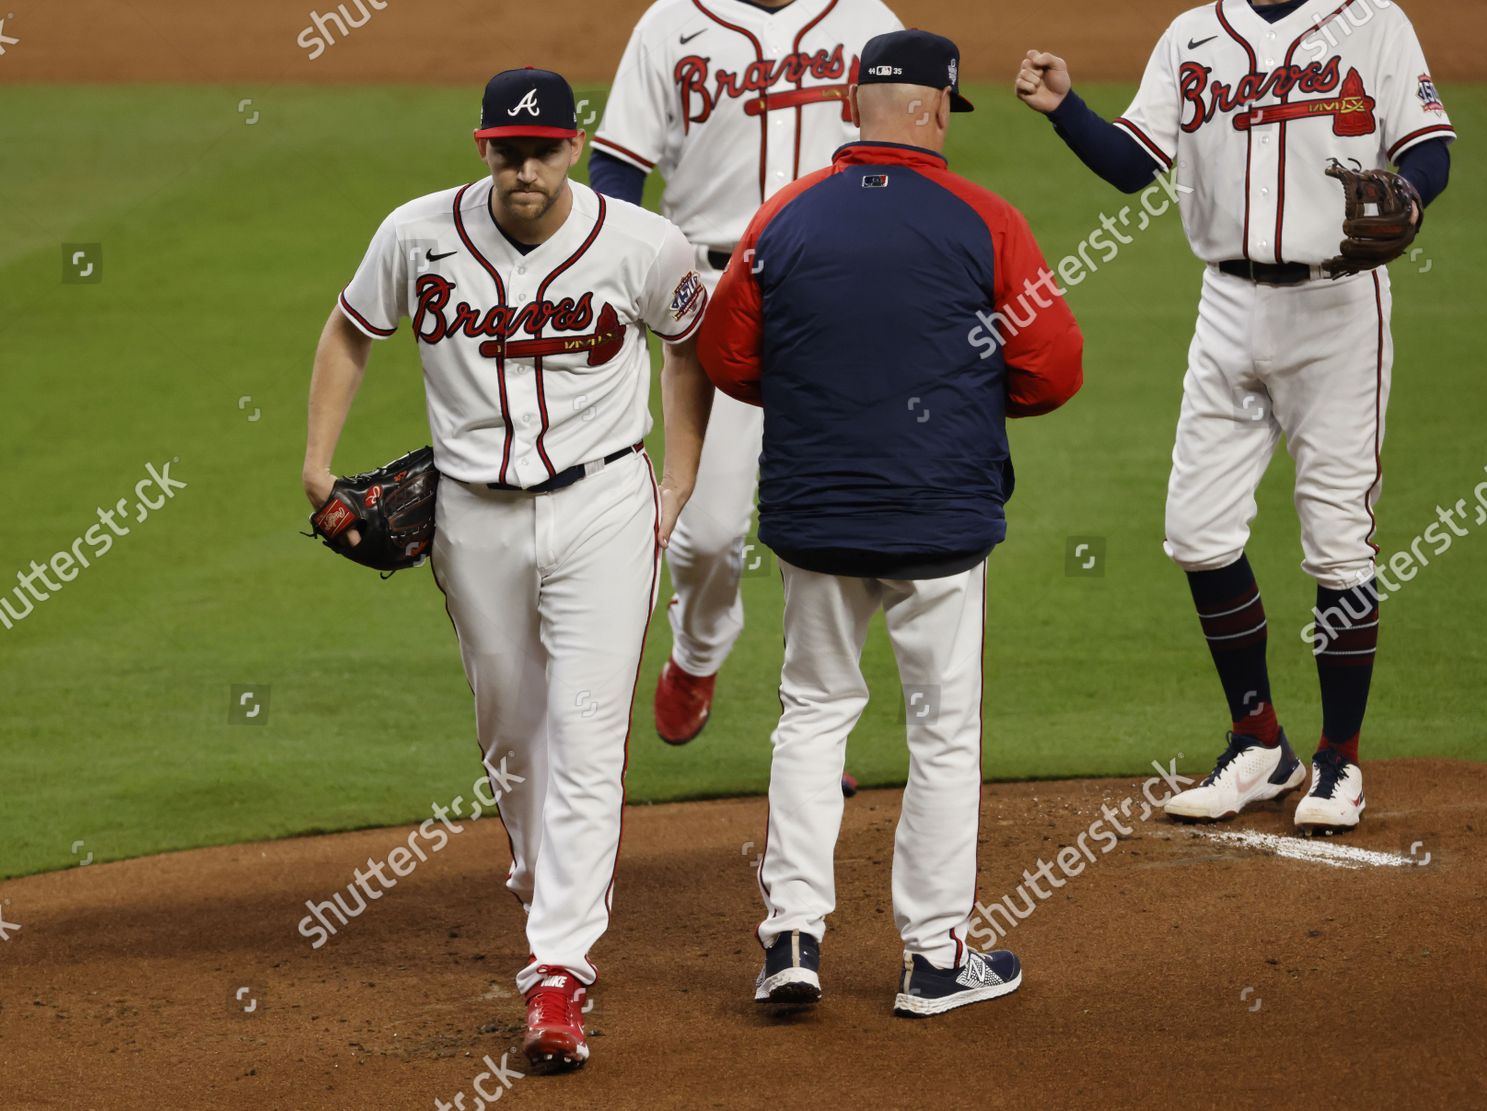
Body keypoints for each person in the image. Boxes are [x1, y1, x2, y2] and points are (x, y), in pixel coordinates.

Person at [302, 67, 715, 1073]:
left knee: (584, 732)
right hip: (470, 517)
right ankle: (546, 886)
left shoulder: (642, 243)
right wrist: (315, 462)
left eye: (541, 151)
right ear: (480, 147)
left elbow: (693, 348)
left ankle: (560, 972)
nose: (523, 170)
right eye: (505, 151)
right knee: (512, 732)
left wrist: (679, 485)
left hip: (604, 507)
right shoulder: (416, 233)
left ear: (575, 146)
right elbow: (353, 329)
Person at [699, 29, 1084, 1016]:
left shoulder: (782, 216)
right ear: (943, 107)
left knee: (814, 711)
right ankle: (933, 959)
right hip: (939, 520)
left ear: (848, 100)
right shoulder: (988, 218)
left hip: (814, 519)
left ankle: (792, 937)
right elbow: (1052, 368)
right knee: (943, 733)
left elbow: (726, 357)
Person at [1016, 0, 1455, 832]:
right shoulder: (1194, 33)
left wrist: (1412, 193)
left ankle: (1340, 758)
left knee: (1336, 538)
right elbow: (1130, 163)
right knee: (1196, 530)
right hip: (1226, 306)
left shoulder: (1374, 23)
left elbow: (1427, 149)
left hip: (1339, 307)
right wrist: (1066, 109)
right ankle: (1261, 743)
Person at [591, 0, 903, 749]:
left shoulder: (864, 19)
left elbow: (906, 155)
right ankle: (697, 652)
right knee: (703, 535)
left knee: (838, 527)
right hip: (707, 294)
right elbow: (617, 166)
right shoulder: (671, 23)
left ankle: (818, 728)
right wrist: (602, 277)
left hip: (837, 296)